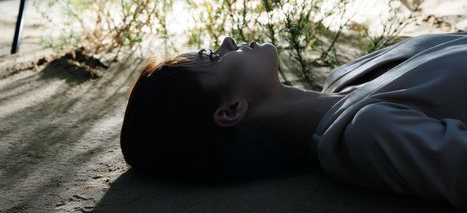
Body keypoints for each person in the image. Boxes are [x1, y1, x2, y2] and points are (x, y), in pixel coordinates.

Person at [120, 32, 467, 210]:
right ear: (231, 110)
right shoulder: (365, 133)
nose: (227, 41)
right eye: (213, 56)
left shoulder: (344, 78)